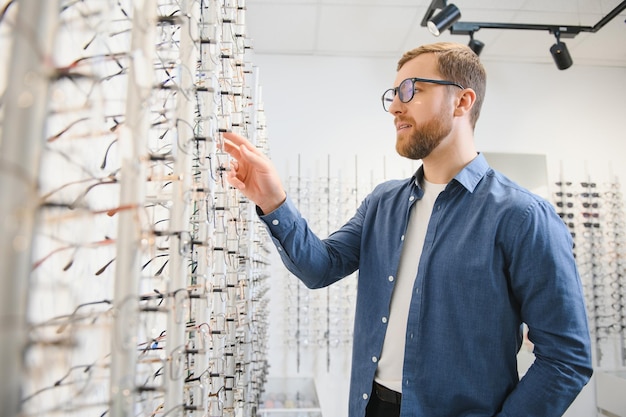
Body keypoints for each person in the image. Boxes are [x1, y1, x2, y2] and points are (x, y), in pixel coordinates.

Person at [221, 42, 592, 417]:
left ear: (462, 102)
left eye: (411, 90)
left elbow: (566, 359)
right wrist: (273, 200)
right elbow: (320, 267)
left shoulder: (523, 216)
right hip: (371, 406)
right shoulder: (384, 203)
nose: (396, 107)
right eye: (393, 95)